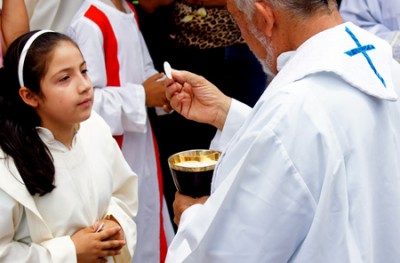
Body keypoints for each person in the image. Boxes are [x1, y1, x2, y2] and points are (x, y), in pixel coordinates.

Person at [164, 0, 400, 262]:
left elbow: (228, 253)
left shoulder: (293, 111)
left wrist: (192, 217)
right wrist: (226, 114)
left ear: (264, 18)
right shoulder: (386, 68)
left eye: (236, 17)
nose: (242, 31)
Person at [0, 30, 137, 262]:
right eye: (65, 78)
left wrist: (114, 226)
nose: (84, 85)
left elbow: (122, 194)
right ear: (30, 96)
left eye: (83, 70)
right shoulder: (7, 164)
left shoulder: (94, 128)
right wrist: (71, 252)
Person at [67, 1, 175, 262]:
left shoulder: (128, 10)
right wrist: (142, 96)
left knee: (149, 216)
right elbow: (85, 102)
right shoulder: (89, 22)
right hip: (113, 149)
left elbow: (144, 69)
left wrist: (166, 90)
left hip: (141, 141)